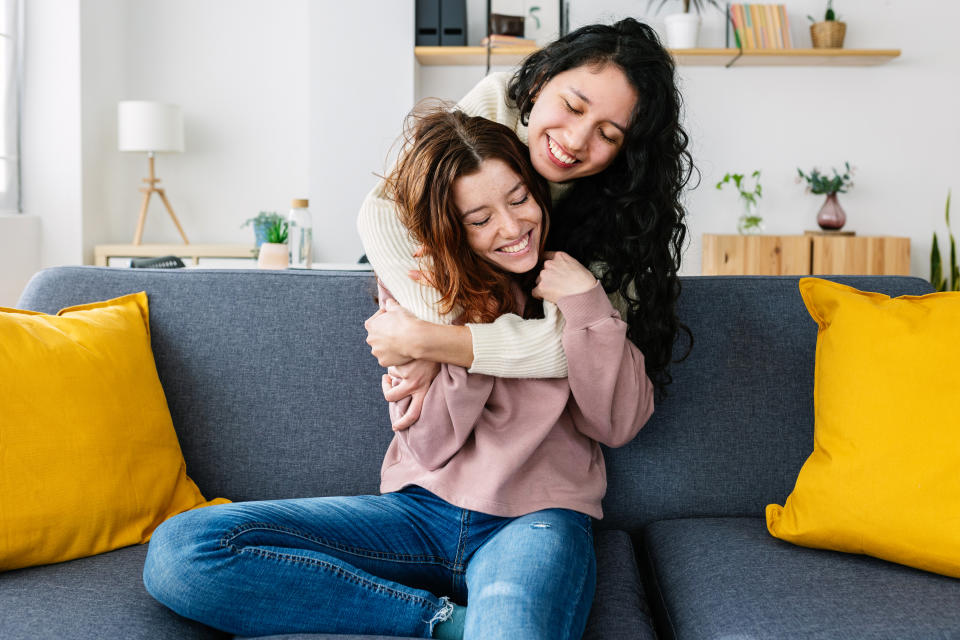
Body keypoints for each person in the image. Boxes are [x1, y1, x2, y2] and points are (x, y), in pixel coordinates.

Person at [142, 109, 653, 640]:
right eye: (478, 219)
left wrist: (587, 306)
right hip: (417, 514)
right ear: (449, 228)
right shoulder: (418, 295)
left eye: (520, 198)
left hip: (539, 519)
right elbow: (431, 445)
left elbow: (617, 424)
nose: (512, 227)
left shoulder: (579, 279)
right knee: (183, 551)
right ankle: (444, 624)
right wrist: (463, 329)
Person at [359, 18, 693, 431]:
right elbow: (380, 211)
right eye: (572, 107)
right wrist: (431, 325)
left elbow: (566, 348)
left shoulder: (619, 213)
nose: (574, 141)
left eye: (606, 135)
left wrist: (429, 344)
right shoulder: (499, 103)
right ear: (539, 83)